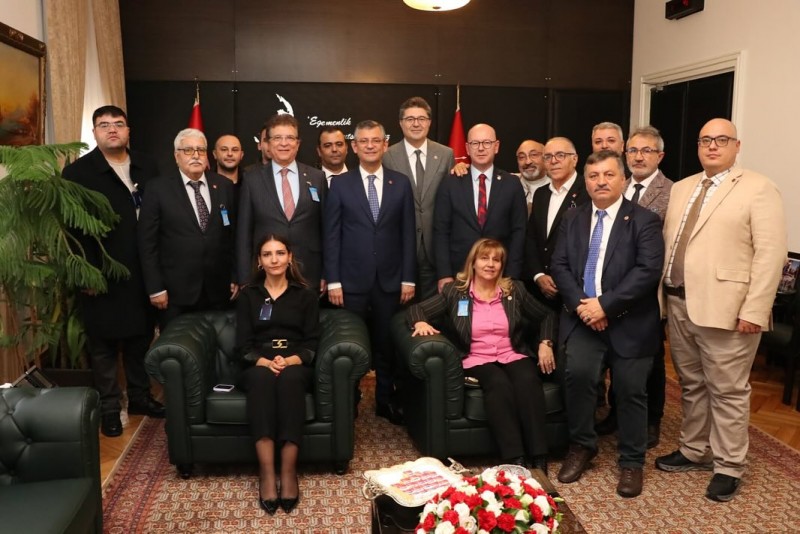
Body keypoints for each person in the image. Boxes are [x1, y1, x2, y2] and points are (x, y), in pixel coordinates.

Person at [656, 118, 786, 502]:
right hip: (678, 302)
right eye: (705, 140)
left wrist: (755, 310)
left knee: (728, 391)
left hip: (729, 310)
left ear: (736, 145)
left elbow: (771, 255)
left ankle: (729, 465)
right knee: (692, 384)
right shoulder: (682, 188)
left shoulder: (759, 188)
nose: (712, 146)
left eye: (722, 140)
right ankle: (694, 449)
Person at [550, 150, 664, 498]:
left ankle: (631, 461)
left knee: (630, 390)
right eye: (593, 176)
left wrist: (605, 306)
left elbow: (647, 271)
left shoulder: (644, 220)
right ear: (585, 182)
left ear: (623, 180)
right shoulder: (573, 218)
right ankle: (582, 446)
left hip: (630, 322)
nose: (601, 182)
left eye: (609, 175)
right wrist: (585, 307)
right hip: (584, 318)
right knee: (579, 378)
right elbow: (560, 265)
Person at [407, 238, 557, 473]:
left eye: (496, 260)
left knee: (528, 380)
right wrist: (420, 322)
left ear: (502, 265)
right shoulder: (455, 292)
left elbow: (547, 315)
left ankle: (539, 455)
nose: (490, 264)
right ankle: (514, 457)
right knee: (498, 383)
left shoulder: (514, 290)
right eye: (484, 258)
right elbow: (417, 309)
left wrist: (545, 343)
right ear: (473, 263)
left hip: (512, 353)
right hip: (476, 358)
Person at [62, 105, 163, 437]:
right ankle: (108, 407)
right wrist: (86, 273)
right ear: (94, 133)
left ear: (128, 130)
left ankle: (139, 398)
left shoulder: (148, 166)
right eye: (104, 125)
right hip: (100, 273)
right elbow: (71, 230)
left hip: (142, 269)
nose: (112, 130)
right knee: (103, 344)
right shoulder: (78, 173)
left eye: (118, 124)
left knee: (140, 338)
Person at [323, 119, 416, 425]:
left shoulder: (401, 183)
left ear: (385, 144)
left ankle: (384, 400)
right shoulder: (340, 184)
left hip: (391, 280)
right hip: (350, 282)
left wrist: (408, 278)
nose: (370, 146)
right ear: (355, 146)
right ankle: (349, 401)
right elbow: (332, 236)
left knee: (386, 344)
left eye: (376, 140)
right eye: (364, 141)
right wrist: (333, 281)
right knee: (351, 346)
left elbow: (407, 234)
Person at [595, 126, 673, 447]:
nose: (639, 157)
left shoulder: (673, 191)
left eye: (647, 151)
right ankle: (617, 411)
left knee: (650, 358)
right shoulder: (618, 185)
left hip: (649, 289)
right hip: (614, 290)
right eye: (633, 151)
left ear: (660, 156)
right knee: (619, 354)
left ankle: (652, 419)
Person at [235, 234, 320, 515]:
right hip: (257, 364)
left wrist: (290, 360)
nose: (274, 259)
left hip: (294, 362)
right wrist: (265, 362)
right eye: (267, 254)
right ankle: (267, 474)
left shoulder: (305, 295)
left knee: (291, 378)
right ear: (259, 261)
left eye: (280, 253)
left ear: (289, 257)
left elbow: (312, 343)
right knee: (261, 380)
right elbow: (242, 346)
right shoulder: (248, 295)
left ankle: (289, 472)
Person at [138, 128, 238, 329]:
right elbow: (147, 243)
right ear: (177, 156)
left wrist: (235, 277)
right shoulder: (157, 189)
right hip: (175, 294)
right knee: (178, 345)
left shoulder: (224, 186)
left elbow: (233, 236)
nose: (196, 155)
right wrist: (155, 288)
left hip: (218, 291)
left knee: (220, 346)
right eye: (188, 150)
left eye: (200, 150)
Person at [237, 115, 327, 293]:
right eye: (277, 138)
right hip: (265, 275)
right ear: (268, 143)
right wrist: (245, 278)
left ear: (298, 144)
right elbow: (243, 233)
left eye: (290, 138)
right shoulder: (251, 179)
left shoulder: (317, 177)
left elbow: (326, 228)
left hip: (310, 271)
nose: (284, 143)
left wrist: (327, 272)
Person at [434, 123, 527, 291]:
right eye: (475, 143)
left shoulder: (512, 184)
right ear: (467, 148)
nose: (481, 148)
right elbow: (441, 231)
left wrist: (512, 275)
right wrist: (444, 274)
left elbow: (519, 231)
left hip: (500, 273)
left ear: (496, 146)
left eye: (487, 143)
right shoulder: (450, 183)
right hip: (459, 273)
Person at [384, 96, 456, 300]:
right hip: (400, 248)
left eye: (421, 119)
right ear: (401, 123)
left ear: (429, 122)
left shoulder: (446, 154)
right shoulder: (387, 156)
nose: (416, 124)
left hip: (436, 248)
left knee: (434, 308)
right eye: (410, 119)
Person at [524, 136, 589, 308]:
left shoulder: (588, 192)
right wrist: (538, 275)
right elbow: (531, 238)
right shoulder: (541, 194)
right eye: (548, 157)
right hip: (540, 290)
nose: (553, 161)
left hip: (576, 291)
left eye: (560, 155)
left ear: (574, 159)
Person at [515, 139, 549, 217]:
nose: (527, 162)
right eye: (522, 157)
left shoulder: (555, 187)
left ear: (545, 158)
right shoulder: (508, 184)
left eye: (533, 155)